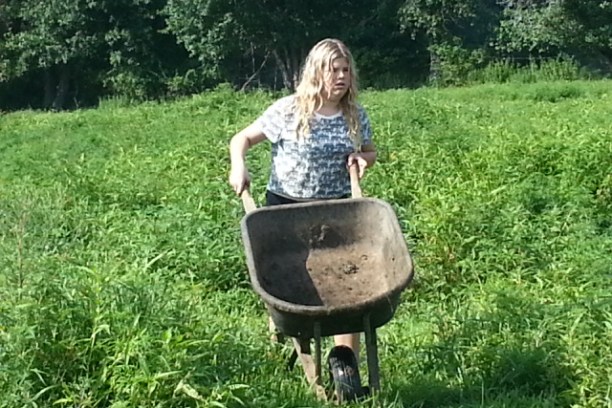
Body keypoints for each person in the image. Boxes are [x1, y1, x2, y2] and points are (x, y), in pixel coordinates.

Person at [228, 38, 376, 396]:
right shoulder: (289, 110)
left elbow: (369, 151)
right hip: (285, 211)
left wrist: (364, 160)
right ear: (316, 72)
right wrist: (239, 165)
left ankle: (346, 363)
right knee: (290, 287)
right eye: (332, 70)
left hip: (337, 212)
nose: (340, 77)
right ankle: (284, 332)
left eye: (345, 70)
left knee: (347, 287)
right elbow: (242, 139)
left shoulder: (355, 114)